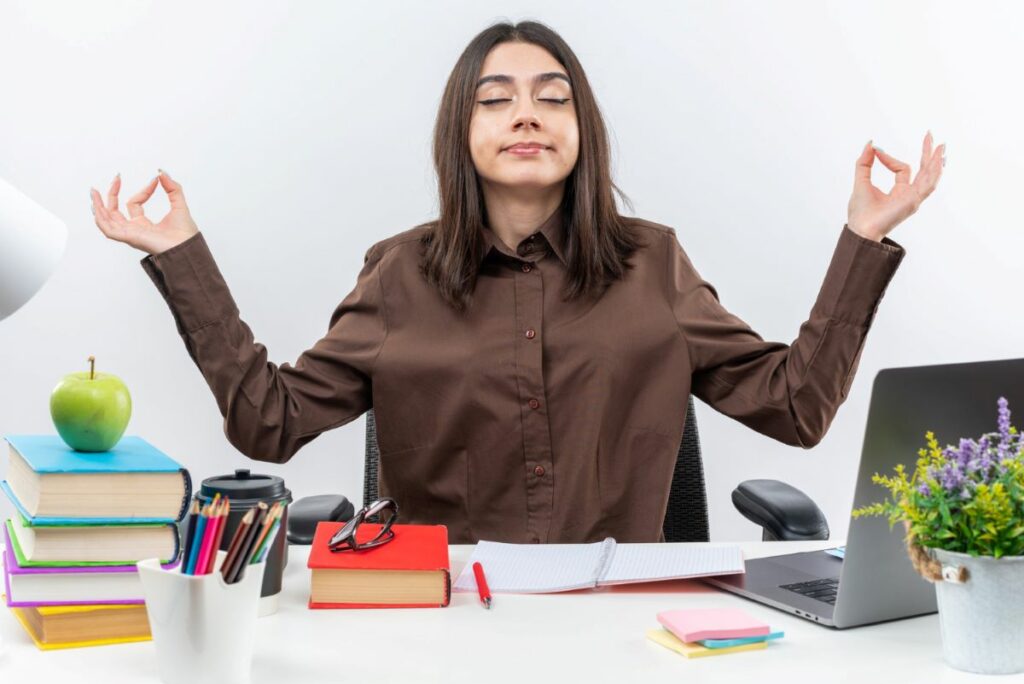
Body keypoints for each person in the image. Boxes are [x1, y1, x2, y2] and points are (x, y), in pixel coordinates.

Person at [90, 21, 944, 544]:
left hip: (621, 624)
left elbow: (794, 408)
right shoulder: (399, 273)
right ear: (461, 132)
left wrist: (862, 238)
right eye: (495, 99)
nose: (527, 114)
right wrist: (182, 254)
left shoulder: (654, 265)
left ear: (583, 130)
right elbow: (266, 423)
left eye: (553, 97)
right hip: (446, 619)